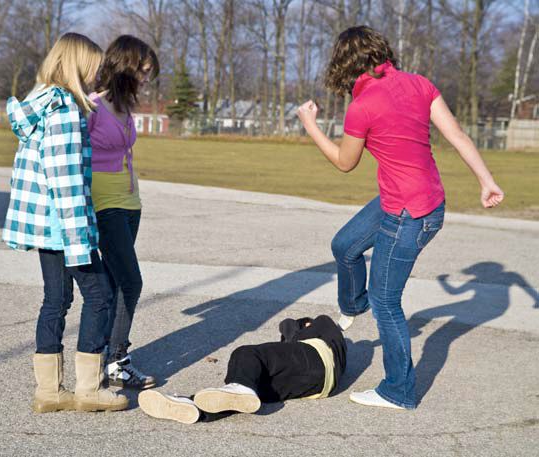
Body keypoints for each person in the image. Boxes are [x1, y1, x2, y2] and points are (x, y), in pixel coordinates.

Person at [296, 26, 504, 410]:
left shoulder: (362, 106)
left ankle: (398, 390)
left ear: (344, 63)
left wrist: (310, 125)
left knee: (387, 301)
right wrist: (486, 181)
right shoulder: (419, 83)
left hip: (410, 214)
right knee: (344, 245)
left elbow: (345, 163)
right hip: (418, 201)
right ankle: (353, 307)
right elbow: (457, 134)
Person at [2, 32, 128, 414]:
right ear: (75, 66)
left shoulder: (40, 104)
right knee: (100, 295)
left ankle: (50, 392)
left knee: (55, 300)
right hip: (65, 225)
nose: (95, 76)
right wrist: (80, 240)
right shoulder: (64, 111)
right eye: (91, 68)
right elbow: (66, 179)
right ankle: (88, 390)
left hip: (45, 225)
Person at [87, 35, 160, 389]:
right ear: (125, 68)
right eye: (143, 71)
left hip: (131, 203)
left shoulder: (125, 107)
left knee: (118, 282)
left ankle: (103, 358)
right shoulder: (92, 106)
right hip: (104, 204)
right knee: (132, 281)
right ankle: (116, 358)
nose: (146, 78)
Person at [137, 315, 346, 424]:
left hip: (316, 357)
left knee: (246, 354)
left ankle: (240, 387)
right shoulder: (328, 347)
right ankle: (193, 406)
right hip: (318, 388)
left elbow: (288, 325)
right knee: (248, 389)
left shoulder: (322, 325)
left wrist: (298, 326)